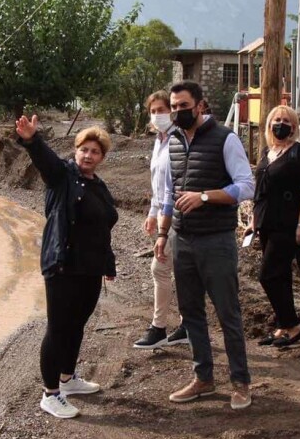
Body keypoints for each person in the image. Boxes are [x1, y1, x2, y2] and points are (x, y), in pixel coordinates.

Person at [155, 80, 256, 410]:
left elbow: (245, 186)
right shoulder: (172, 142)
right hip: (182, 240)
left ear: (200, 105)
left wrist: (204, 197)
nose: (178, 112)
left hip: (216, 240)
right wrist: (162, 234)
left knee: (228, 313)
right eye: (174, 107)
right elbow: (169, 194)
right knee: (191, 313)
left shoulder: (225, 139)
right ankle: (203, 379)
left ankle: (240, 382)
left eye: (184, 106)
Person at [15, 115, 118, 419]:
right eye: (84, 149)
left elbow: (103, 227)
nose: (88, 155)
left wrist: (107, 263)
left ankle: (68, 379)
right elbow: (46, 162)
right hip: (62, 265)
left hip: (89, 268)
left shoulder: (99, 185)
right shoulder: (62, 177)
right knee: (58, 328)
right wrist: (33, 140)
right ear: (75, 151)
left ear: (102, 157)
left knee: (76, 325)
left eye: (95, 151)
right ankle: (50, 394)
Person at [248, 105, 300, 348]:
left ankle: (294, 325)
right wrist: (253, 220)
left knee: (267, 275)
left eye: (286, 120)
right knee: (281, 277)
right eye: (276, 119)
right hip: (266, 222)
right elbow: (260, 192)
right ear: (268, 125)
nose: (280, 124)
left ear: (294, 126)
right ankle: (283, 325)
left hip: (288, 224)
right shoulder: (268, 152)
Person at [134, 91, 188, 349]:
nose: (157, 115)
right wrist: (152, 212)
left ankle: (159, 327)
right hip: (165, 212)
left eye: (161, 109)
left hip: (179, 214)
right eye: (153, 111)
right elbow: (158, 182)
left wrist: (162, 222)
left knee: (161, 267)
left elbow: (173, 185)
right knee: (175, 269)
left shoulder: (179, 139)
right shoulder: (159, 140)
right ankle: (186, 324)